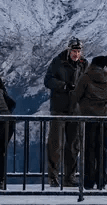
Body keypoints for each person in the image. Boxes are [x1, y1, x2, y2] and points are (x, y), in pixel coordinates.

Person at [44, 38, 88, 187]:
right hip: (59, 109)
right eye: (74, 51)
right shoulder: (57, 62)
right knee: (55, 144)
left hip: (76, 110)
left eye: (78, 51)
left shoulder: (84, 64)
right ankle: (53, 177)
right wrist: (64, 86)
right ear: (69, 50)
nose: (76, 54)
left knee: (73, 145)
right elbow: (48, 80)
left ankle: (70, 177)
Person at [73, 55, 107, 190]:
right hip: (104, 118)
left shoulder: (85, 77)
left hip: (88, 118)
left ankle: (88, 181)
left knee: (89, 150)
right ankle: (101, 181)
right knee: (102, 150)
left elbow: (76, 95)